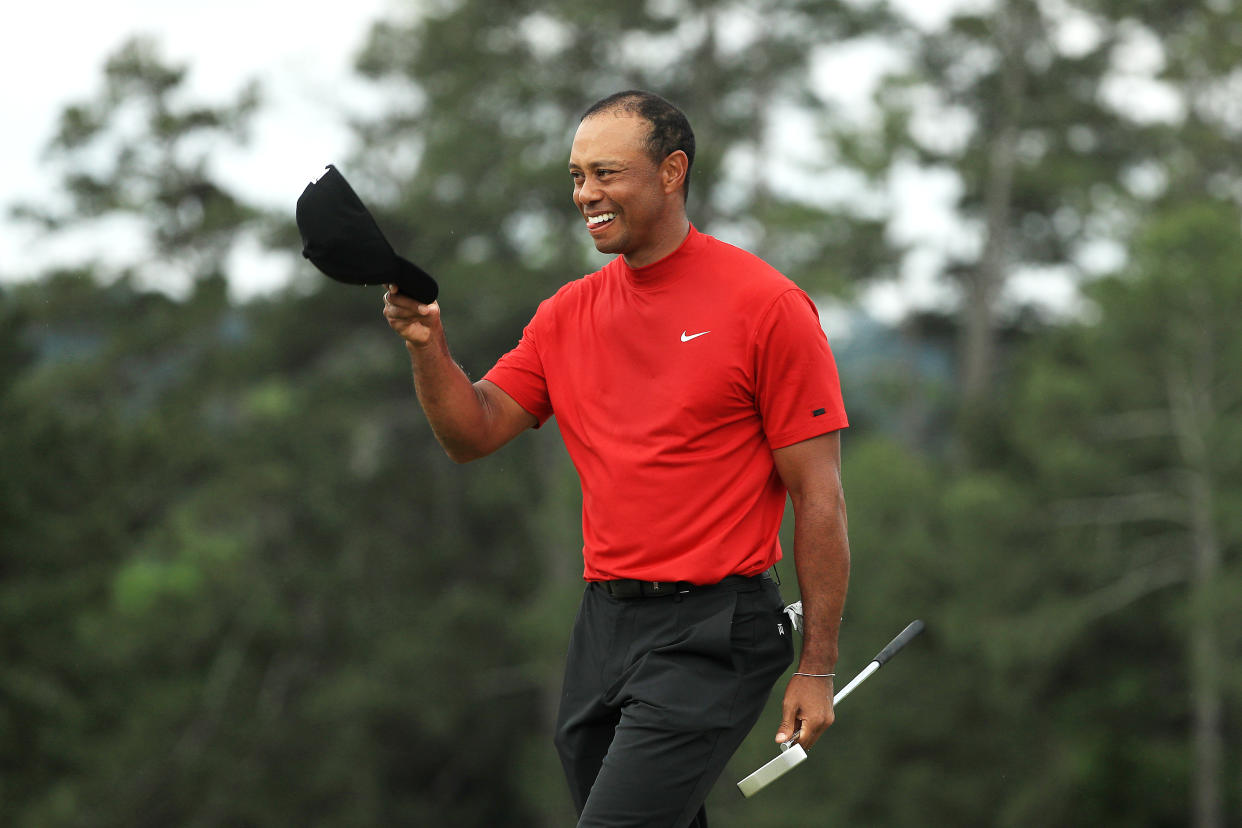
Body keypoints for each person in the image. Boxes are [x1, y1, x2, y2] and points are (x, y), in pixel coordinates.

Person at [383, 90, 850, 827]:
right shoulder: (567, 313)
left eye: (606, 173)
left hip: (715, 630)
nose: (586, 195)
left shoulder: (767, 306)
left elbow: (819, 496)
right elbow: (471, 432)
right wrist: (426, 345)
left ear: (671, 172)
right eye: (575, 176)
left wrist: (817, 667)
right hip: (603, 627)